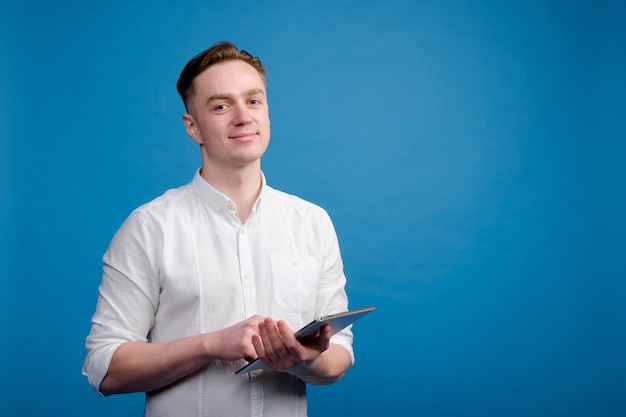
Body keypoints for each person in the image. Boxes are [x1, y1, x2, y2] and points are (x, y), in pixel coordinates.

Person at [82, 41, 354, 417]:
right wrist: (210, 344)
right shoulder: (149, 227)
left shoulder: (312, 222)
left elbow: (339, 356)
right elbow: (105, 367)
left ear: (268, 113)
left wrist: (300, 361)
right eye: (221, 105)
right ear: (192, 127)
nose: (243, 117)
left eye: (254, 101)